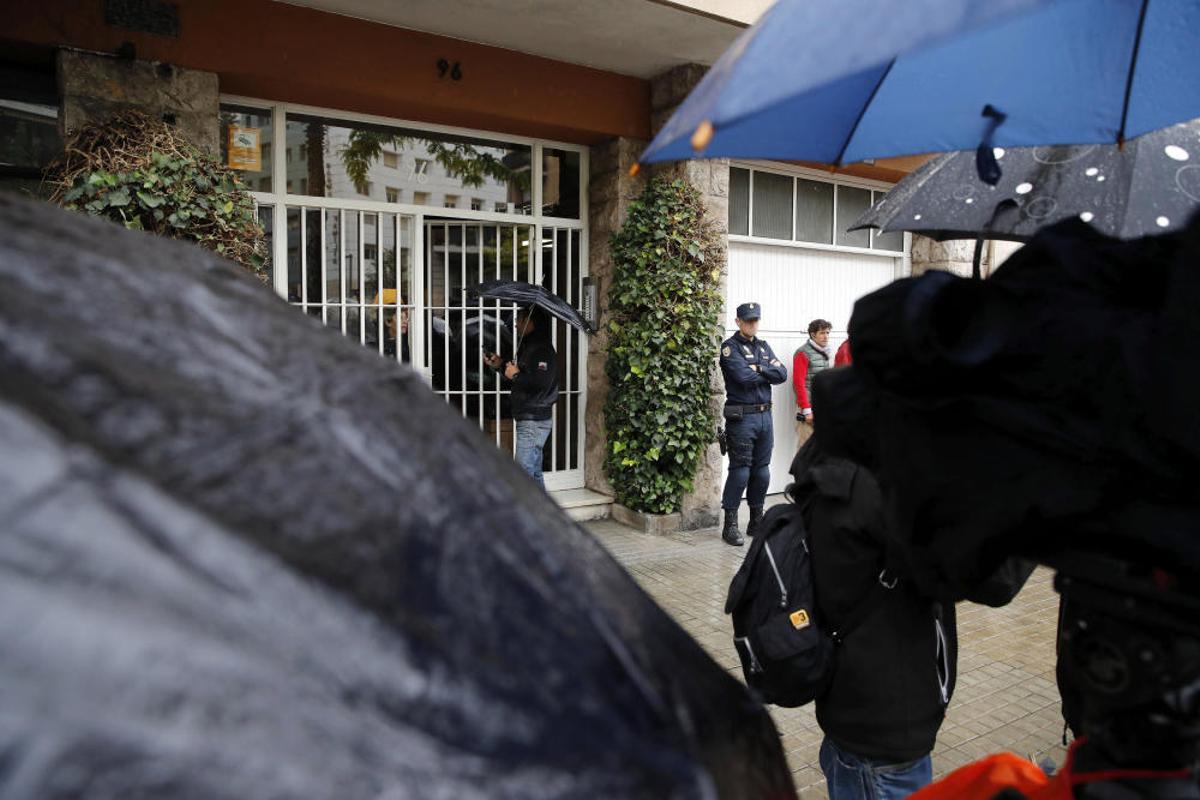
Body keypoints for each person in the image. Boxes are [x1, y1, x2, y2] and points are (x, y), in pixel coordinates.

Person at [790, 439, 953, 800]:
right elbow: (988, 578)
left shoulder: (830, 460)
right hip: (884, 733)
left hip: (851, 711)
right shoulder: (885, 481)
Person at [718, 302, 788, 546]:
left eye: (755, 320)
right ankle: (730, 525)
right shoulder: (730, 348)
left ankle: (756, 522)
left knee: (762, 471)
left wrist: (758, 367)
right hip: (742, 417)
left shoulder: (763, 346)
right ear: (738, 322)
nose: (752, 324)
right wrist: (765, 369)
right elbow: (742, 377)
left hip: (765, 417)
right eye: (747, 320)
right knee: (741, 471)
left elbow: (782, 374)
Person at [484, 306, 557, 488]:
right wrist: (500, 365)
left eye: (519, 319)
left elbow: (541, 382)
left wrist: (516, 375)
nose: (515, 324)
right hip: (530, 418)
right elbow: (522, 376)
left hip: (534, 419)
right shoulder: (530, 345)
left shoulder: (542, 349)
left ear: (531, 322)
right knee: (534, 472)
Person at [793, 319, 834, 446]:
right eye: (822, 333)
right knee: (806, 448)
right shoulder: (803, 353)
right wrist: (806, 410)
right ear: (812, 334)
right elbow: (798, 383)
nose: (826, 336)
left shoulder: (823, 352)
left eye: (827, 333)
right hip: (808, 409)